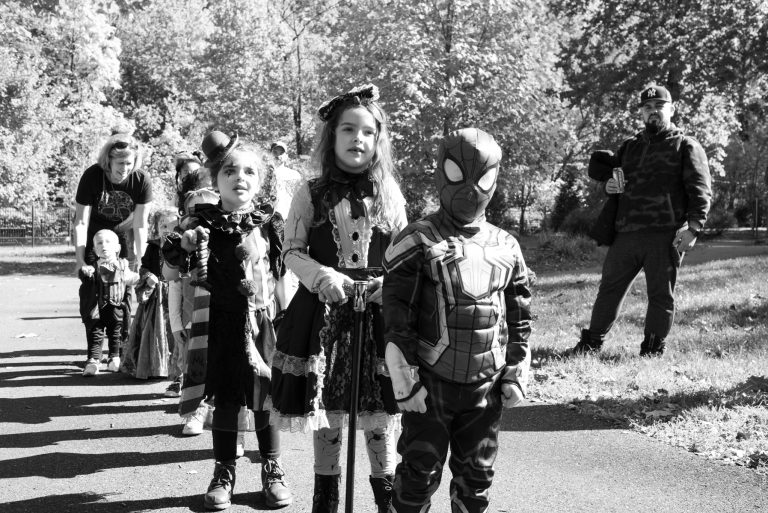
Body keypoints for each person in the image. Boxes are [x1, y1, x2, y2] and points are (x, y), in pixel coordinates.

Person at [269, 84, 408, 513]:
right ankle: (325, 501)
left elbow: (405, 253)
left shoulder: (389, 192)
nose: (357, 139)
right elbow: (290, 250)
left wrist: (392, 283)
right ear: (332, 137)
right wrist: (320, 274)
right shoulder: (309, 192)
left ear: (378, 140)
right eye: (348, 129)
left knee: (378, 414)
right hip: (324, 311)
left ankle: (387, 500)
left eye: (368, 132)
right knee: (326, 411)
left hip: (378, 312)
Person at [381, 128, 532, 513]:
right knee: (419, 475)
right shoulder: (416, 239)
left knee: (477, 479)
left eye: (482, 178)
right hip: (431, 384)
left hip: (487, 386)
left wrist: (516, 369)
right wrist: (405, 378)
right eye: (456, 174)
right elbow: (398, 316)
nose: (470, 188)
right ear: (440, 173)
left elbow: (519, 314)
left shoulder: (506, 245)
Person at [164, 131, 292, 510]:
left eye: (250, 171)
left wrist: (287, 321)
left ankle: (273, 468)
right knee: (225, 399)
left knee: (264, 397)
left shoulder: (269, 221)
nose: (241, 178)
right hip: (216, 323)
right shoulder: (199, 221)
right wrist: (184, 247)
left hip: (261, 324)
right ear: (215, 178)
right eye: (231, 171)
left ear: (261, 179)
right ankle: (224, 472)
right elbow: (172, 273)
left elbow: (281, 277)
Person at [573, 84, 712, 356]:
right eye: (647, 108)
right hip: (627, 233)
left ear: (671, 109)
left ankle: (652, 348)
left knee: (660, 295)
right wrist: (609, 186)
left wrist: (694, 228)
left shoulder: (686, 146)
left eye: (659, 107)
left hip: (666, 234)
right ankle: (591, 343)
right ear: (641, 113)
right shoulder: (630, 147)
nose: (653, 112)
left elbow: (700, 188)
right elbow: (615, 181)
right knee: (609, 289)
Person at [74, 131, 153, 374]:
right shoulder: (93, 176)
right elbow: (81, 223)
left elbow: (140, 225)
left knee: (123, 296)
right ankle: (94, 354)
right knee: (93, 293)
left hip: (123, 239)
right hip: (95, 240)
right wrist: (80, 261)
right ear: (108, 160)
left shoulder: (141, 180)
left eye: (130, 163)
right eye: (120, 164)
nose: (125, 169)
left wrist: (140, 259)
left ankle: (119, 353)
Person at [120, 207, 179, 379]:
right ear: (157, 227)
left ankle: (173, 367)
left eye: (171, 226)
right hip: (155, 296)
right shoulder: (153, 247)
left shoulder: (181, 247)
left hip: (174, 293)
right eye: (163, 225)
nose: (166, 230)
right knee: (152, 330)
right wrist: (148, 276)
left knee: (172, 329)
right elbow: (144, 266)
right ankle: (152, 365)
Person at [78, 229, 144, 376]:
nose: (104, 245)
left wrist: (142, 278)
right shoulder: (92, 266)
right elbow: (82, 275)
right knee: (95, 333)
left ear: (117, 248)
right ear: (95, 250)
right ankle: (93, 360)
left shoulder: (123, 264)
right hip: (96, 308)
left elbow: (129, 278)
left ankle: (114, 357)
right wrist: (85, 271)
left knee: (116, 333)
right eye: (99, 243)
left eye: (108, 242)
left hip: (115, 307)